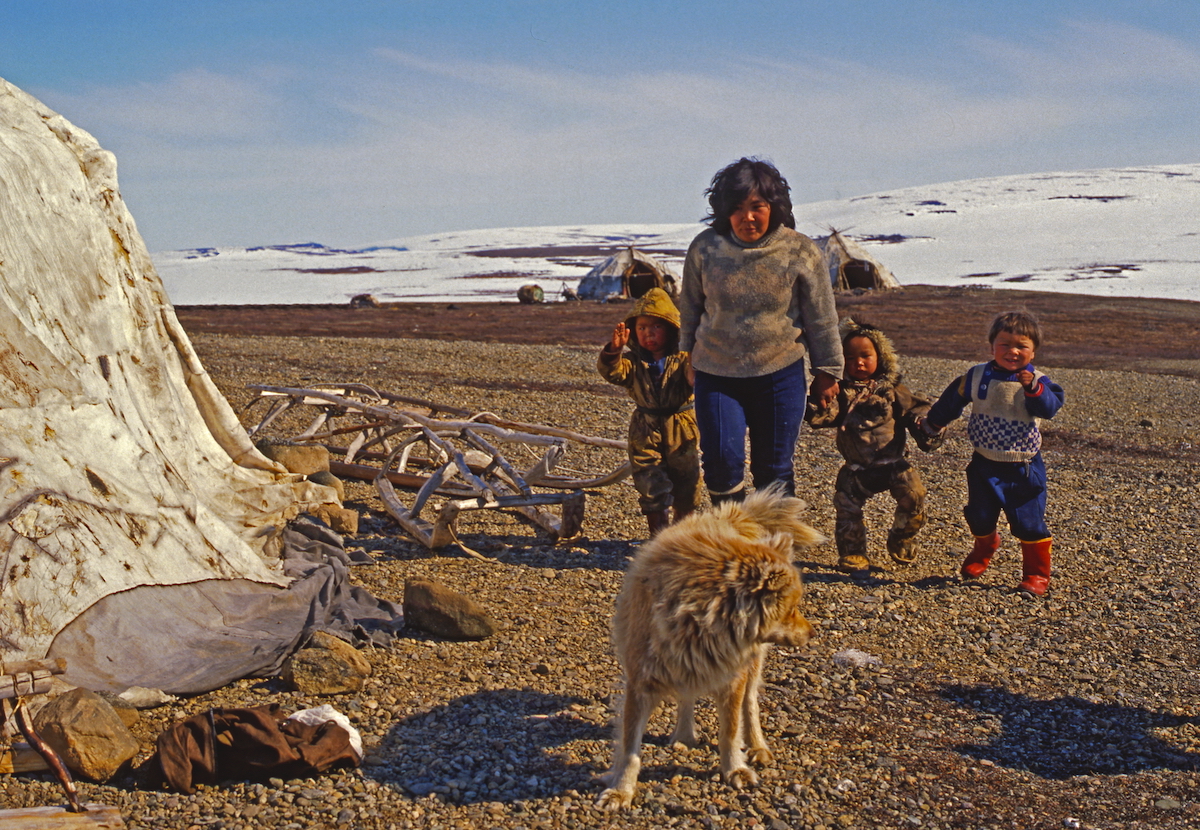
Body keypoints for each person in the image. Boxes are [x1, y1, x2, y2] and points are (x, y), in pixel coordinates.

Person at [679, 157, 843, 504]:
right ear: (724, 210)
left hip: (779, 372)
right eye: (737, 208)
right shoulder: (706, 248)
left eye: (757, 207)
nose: (747, 217)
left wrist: (828, 370)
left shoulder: (799, 249)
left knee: (774, 467)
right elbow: (691, 308)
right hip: (716, 371)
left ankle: (777, 547)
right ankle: (735, 540)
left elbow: (821, 315)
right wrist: (686, 356)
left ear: (774, 207)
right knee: (722, 463)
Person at [921, 311, 1065, 595]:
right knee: (979, 516)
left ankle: (1036, 575)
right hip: (983, 464)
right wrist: (933, 424)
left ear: (1033, 351)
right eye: (1004, 344)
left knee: (1029, 523)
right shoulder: (976, 376)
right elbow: (951, 402)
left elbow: (1049, 408)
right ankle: (985, 547)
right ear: (992, 347)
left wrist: (1034, 389)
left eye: (1021, 346)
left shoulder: (1037, 380)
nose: (1012, 351)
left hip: (1023, 467)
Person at [807, 318, 942, 573]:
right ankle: (853, 553)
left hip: (894, 464)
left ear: (880, 357)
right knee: (847, 507)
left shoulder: (893, 391)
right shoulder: (843, 393)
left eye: (865, 355)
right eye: (850, 357)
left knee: (915, 496)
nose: (858, 362)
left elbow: (917, 409)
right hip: (857, 469)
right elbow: (827, 415)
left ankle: (902, 535)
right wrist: (817, 404)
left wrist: (925, 424)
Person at [598, 287, 702, 536]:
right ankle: (657, 537)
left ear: (671, 328)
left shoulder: (684, 357)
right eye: (642, 328)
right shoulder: (632, 361)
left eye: (656, 327)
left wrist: (696, 357)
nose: (648, 334)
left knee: (687, 481)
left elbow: (694, 380)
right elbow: (613, 373)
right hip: (645, 426)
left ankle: (682, 536)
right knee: (648, 479)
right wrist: (613, 351)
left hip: (681, 423)